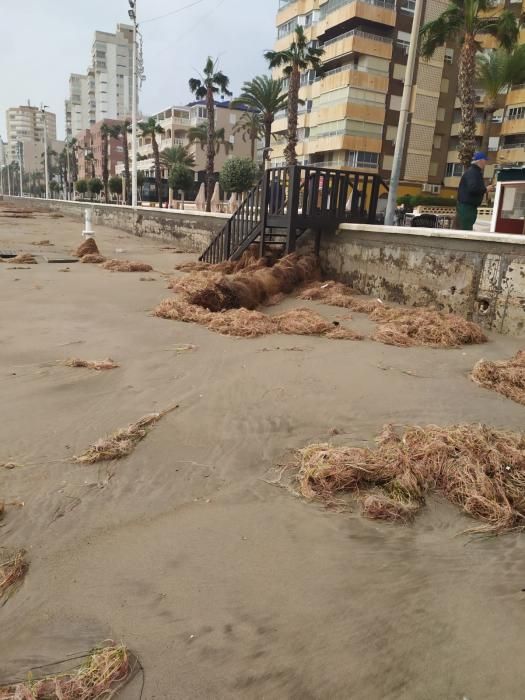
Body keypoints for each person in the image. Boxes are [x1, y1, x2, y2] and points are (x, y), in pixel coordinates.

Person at [457, 152, 495, 230]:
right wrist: (486, 189)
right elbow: (472, 188)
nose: (486, 163)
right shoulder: (473, 173)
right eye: (485, 160)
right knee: (465, 230)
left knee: (466, 228)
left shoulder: (474, 172)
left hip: (468, 206)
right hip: (467, 207)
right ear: (480, 161)